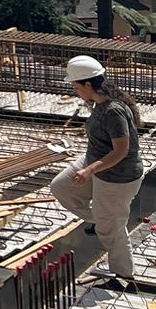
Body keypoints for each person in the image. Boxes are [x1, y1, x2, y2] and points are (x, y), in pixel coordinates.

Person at [49, 55, 146, 281]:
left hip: (117, 176)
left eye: (76, 86)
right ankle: (102, 220)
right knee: (62, 187)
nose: (75, 91)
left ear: (89, 85)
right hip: (96, 164)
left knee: (111, 230)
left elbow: (121, 151)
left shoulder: (113, 111)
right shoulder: (99, 103)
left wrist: (90, 170)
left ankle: (124, 274)